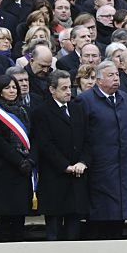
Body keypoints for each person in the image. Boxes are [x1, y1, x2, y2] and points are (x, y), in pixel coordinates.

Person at [77, 60, 127, 239]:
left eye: (117, 75)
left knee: (119, 214)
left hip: (124, 165)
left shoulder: (125, 98)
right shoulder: (85, 100)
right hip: (98, 166)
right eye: (111, 75)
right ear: (99, 80)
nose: (116, 79)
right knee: (100, 213)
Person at [31, 70, 90, 241]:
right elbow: (45, 144)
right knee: (54, 230)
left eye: (69, 87)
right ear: (52, 89)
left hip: (77, 177)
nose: (68, 92)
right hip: (55, 178)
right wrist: (65, 166)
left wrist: (83, 162)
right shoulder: (42, 112)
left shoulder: (78, 109)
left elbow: (87, 139)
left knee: (74, 228)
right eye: (63, 88)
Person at [0, 74, 35, 242]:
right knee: (6, 214)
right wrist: (17, 160)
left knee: (20, 212)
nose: (12, 90)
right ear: (0, 91)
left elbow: (34, 137)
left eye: (14, 87)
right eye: (7, 88)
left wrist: (30, 160)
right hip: (5, 168)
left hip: (25, 168)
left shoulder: (25, 110)